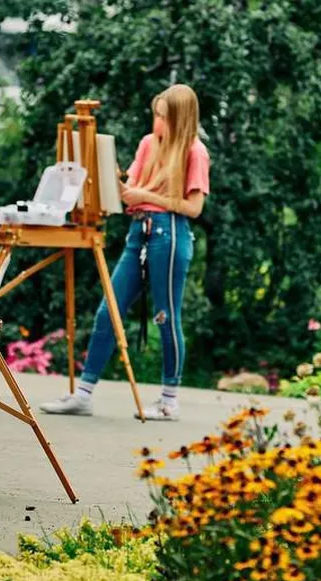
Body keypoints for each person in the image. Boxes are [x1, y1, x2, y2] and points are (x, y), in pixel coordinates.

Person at [40, 84, 210, 421]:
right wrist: (106, 174)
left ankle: (169, 400)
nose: (156, 123)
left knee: (165, 315)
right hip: (139, 231)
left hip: (170, 233)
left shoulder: (195, 152)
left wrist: (145, 196)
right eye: (156, 115)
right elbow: (127, 186)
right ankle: (84, 394)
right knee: (109, 311)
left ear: (179, 119)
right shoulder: (149, 143)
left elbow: (194, 208)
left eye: (163, 117)